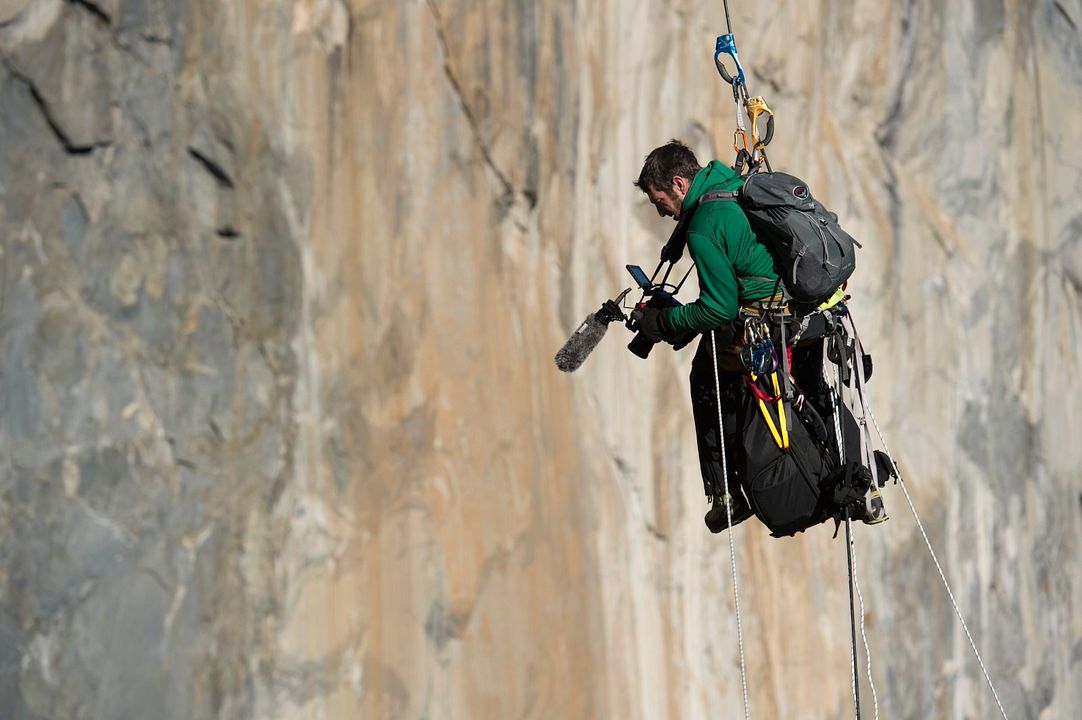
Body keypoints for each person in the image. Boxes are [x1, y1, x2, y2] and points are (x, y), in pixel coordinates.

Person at [630, 139, 824, 532]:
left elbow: (719, 308)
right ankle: (846, 471)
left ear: (680, 184)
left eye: (658, 200)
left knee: (705, 378)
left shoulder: (703, 225)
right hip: (806, 312)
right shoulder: (731, 181)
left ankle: (725, 495)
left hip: (765, 323)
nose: (660, 211)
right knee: (810, 388)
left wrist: (664, 323)